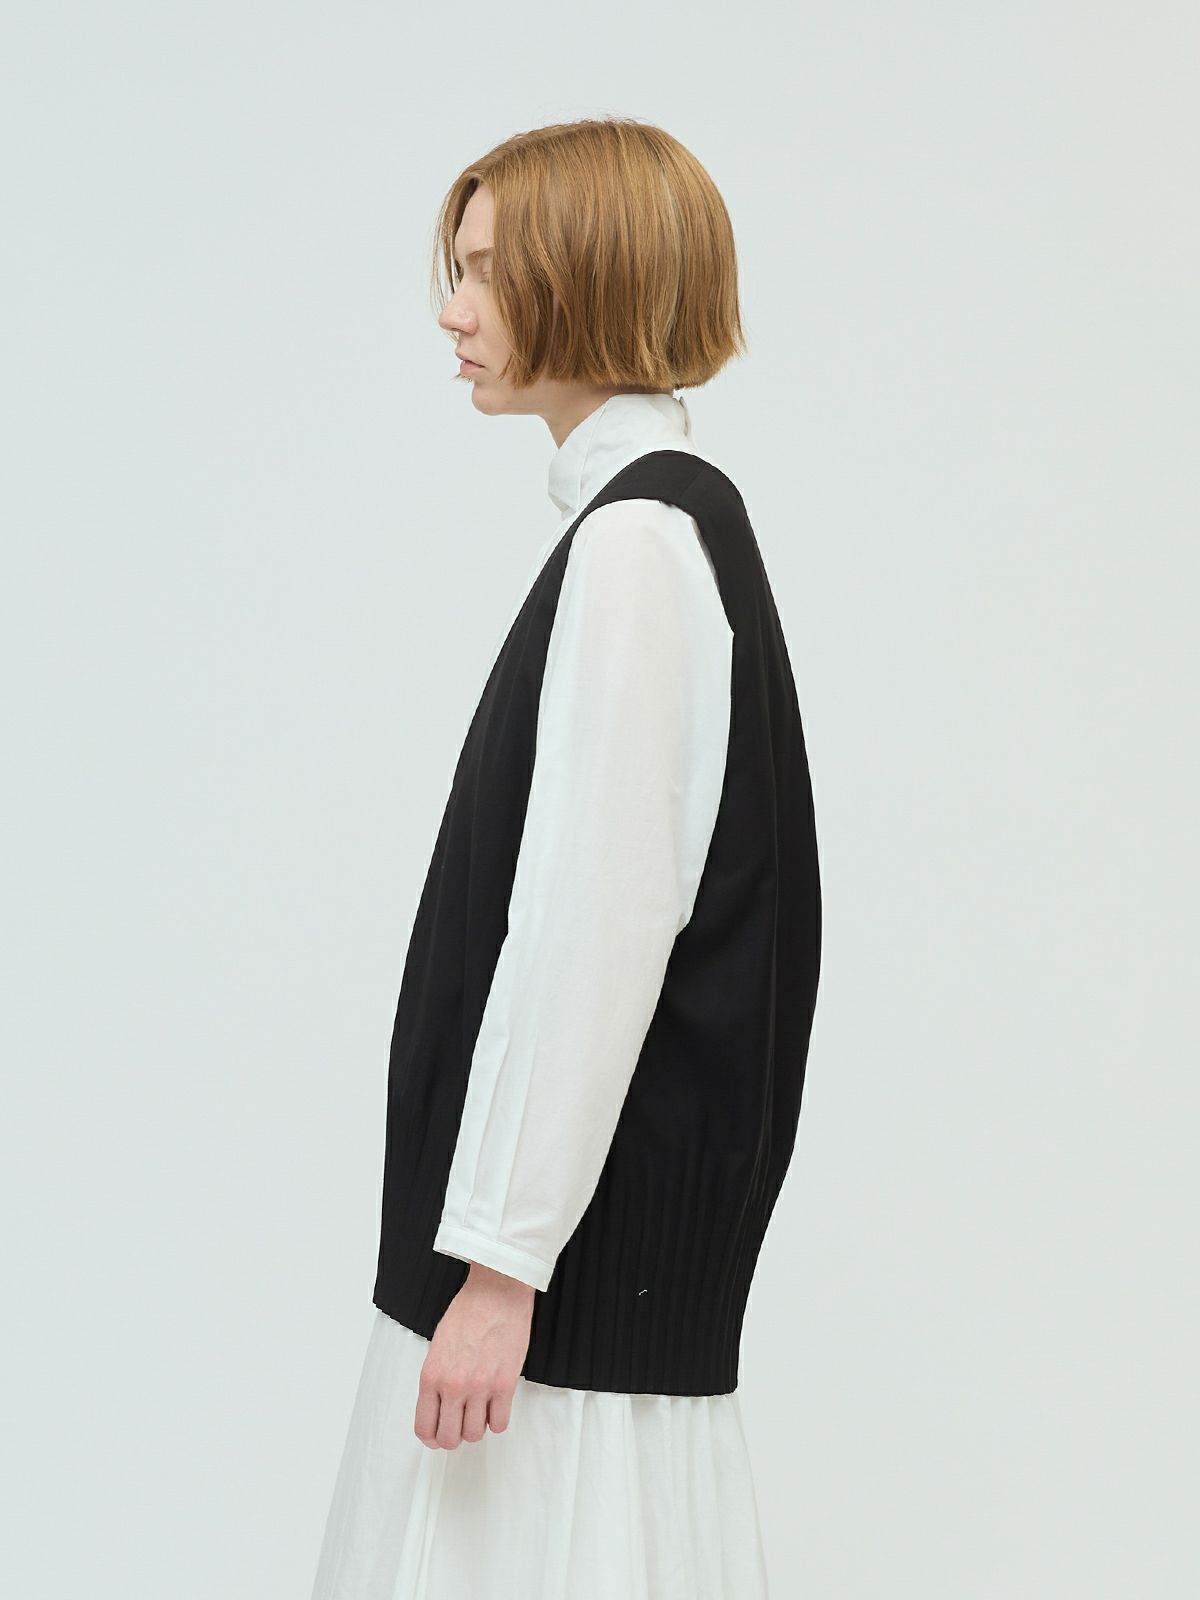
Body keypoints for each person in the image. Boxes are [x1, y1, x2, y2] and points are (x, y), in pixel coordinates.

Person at [310, 117, 822, 1600]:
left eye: (482, 271)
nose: (451, 310)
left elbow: (594, 927)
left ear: (583, 276)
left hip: (557, 1298)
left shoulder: (637, 547)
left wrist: (498, 1265)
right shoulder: (666, 529)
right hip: (576, 1273)